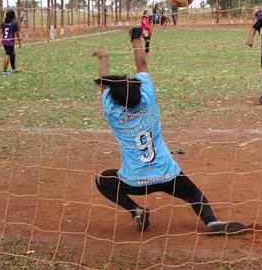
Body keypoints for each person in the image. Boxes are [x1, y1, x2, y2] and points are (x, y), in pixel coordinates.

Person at [92, 28, 246, 234]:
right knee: (192, 193)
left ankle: (136, 210)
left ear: (114, 99)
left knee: (102, 179)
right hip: (166, 175)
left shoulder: (112, 112)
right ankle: (210, 221)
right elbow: (142, 64)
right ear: (139, 90)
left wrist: (104, 58)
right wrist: (136, 39)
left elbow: (104, 85)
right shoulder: (147, 99)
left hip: (134, 181)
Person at [0, 9, 22, 76]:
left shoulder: (3, 23)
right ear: (13, 15)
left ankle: (13, 68)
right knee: (8, 54)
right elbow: (17, 34)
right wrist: (20, 42)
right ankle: (5, 71)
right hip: (10, 42)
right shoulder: (14, 23)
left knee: (13, 53)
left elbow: (0, 32)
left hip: (4, 41)